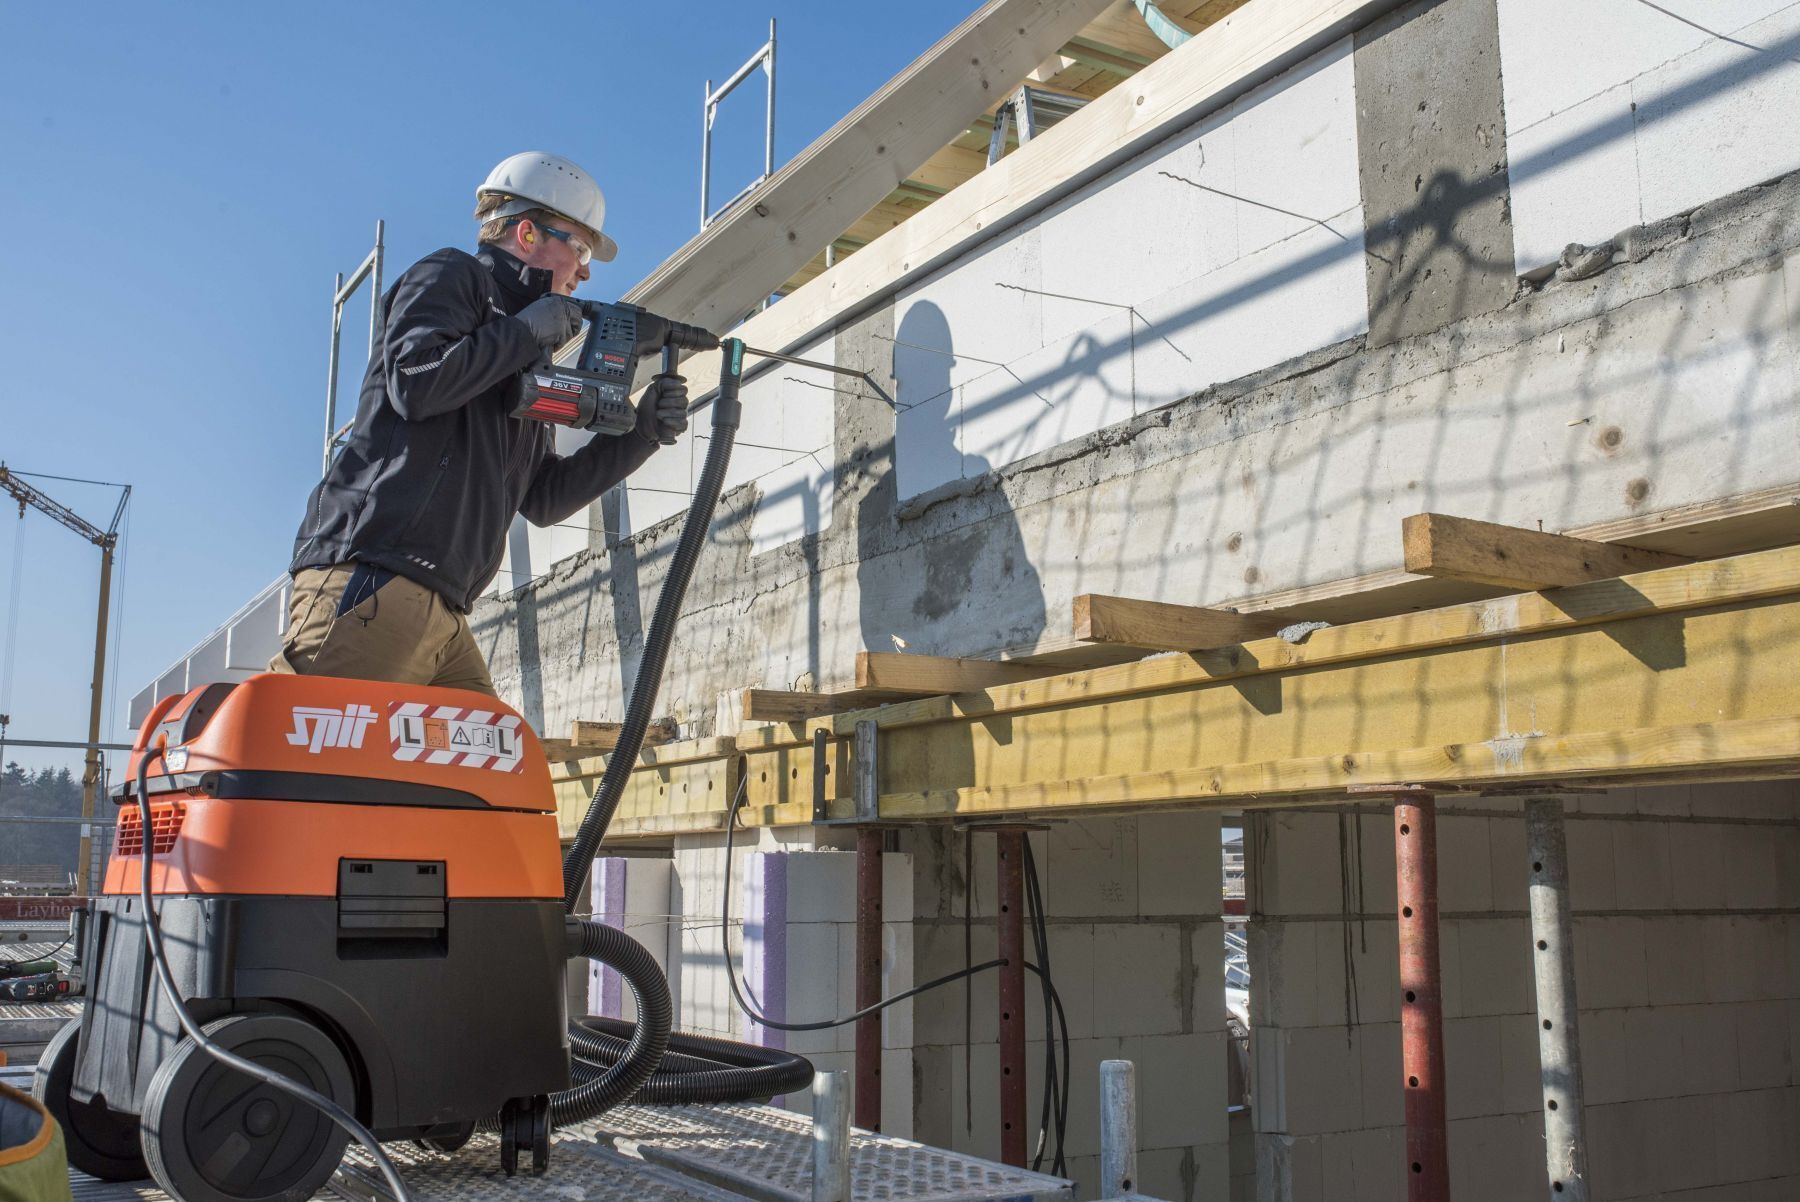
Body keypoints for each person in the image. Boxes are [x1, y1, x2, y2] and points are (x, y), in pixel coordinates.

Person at [272, 151, 688, 697]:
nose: (585, 271)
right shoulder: (450, 277)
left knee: (486, 776)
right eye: (580, 247)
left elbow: (541, 498)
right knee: (315, 773)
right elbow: (416, 384)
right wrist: (522, 333)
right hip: (375, 582)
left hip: (444, 613)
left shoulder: (524, 352)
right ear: (526, 232)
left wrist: (642, 436)